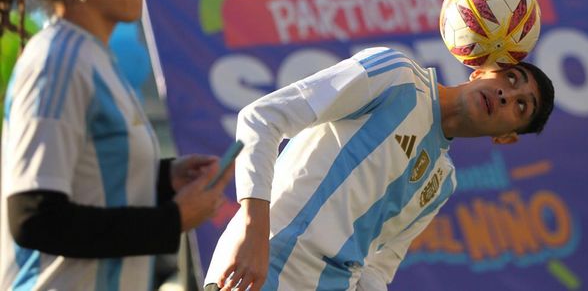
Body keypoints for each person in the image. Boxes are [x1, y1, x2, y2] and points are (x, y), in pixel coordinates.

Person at [0, 0, 234, 291]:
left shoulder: (93, 55)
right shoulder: (58, 60)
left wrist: (163, 179)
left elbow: (84, 181)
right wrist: (172, 221)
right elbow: (34, 216)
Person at [205, 46, 555, 291]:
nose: (507, 95)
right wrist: (253, 234)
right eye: (510, 79)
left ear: (506, 138)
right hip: (259, 269)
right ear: (480, 71)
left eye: (522, 105)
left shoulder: (442, 181)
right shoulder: (397, 76)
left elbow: (376, 268)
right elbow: (262, 118)